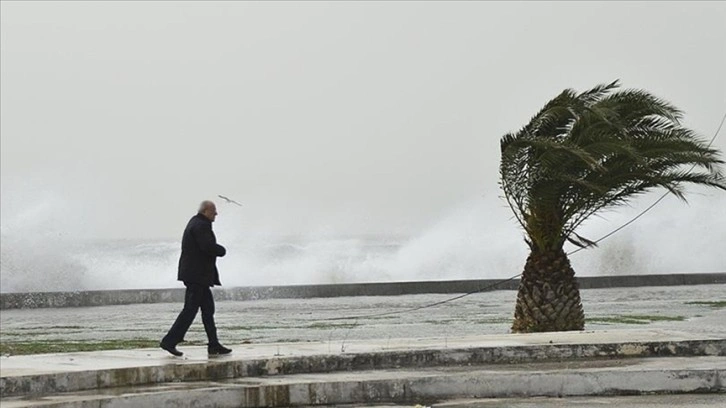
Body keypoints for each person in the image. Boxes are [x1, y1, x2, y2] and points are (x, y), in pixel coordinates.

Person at [160, 200, 232, 356]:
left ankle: (213, 344)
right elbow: (207, 246)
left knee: (208, 310)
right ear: (205, 211)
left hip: (197, 276)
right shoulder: (201, 225)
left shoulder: (196, 222)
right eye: (214, 211)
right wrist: (221, 250)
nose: (216, 214)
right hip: (197, 276)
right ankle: (169, 341)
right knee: (190, 310)